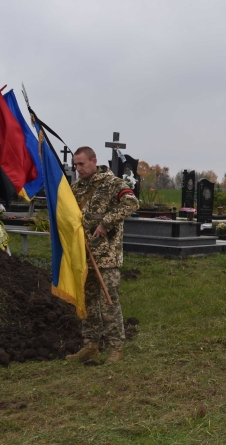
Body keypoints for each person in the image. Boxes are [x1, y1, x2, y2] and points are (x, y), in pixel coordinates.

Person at [66, 147, 139, 363]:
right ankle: (91, 345)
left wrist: (106, 223)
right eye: (75, 165)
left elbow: (132, 203)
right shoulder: (76, 187)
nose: (78, 169)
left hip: (106, 256)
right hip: (83, 256)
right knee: (87, 302)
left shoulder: (112, 183)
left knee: (109, 302)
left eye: (82, 164)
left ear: (93, 161)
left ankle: (116, 347)